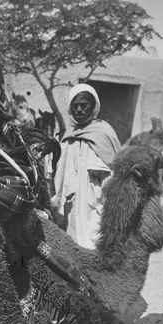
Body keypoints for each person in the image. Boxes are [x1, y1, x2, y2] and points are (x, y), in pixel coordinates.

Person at [52, 84, 121, 248]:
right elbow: (60, 172)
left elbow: (116, 173)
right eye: (74, 106)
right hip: (71, 202)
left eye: (84, 105)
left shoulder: (104, 133)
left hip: (96, 204)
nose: (79, 110)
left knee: (94, 245)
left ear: (94, 105)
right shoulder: (69, 135)